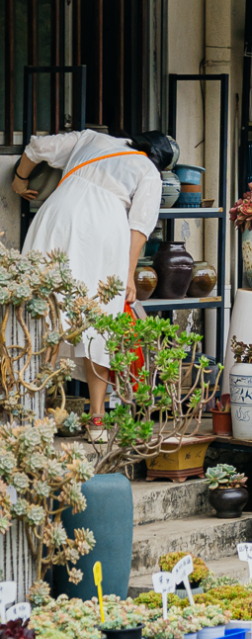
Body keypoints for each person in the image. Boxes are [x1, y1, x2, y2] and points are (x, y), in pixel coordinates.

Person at [11, 128, 173, 435]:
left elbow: (38, 147)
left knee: (41, 309)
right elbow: (139, 226)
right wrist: (128, 272)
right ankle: (97, 419)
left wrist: (20, 179)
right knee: (100, 321)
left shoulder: (91, 138)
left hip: (56, 217)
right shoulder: (149, 172)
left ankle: (31, 412)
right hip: (103, 231)